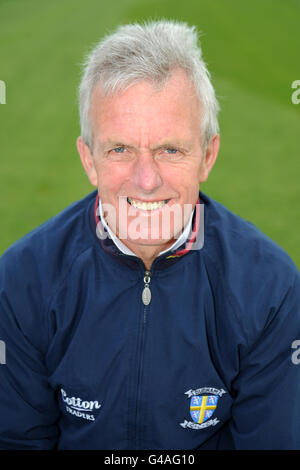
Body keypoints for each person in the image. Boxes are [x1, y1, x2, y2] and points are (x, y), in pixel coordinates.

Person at [0, 20, 299, 451]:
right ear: (89, 159)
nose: (145, 180)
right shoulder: (22, 279)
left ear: (207, 156)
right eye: (119, 149)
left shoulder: (270, 288)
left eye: (169, 150)